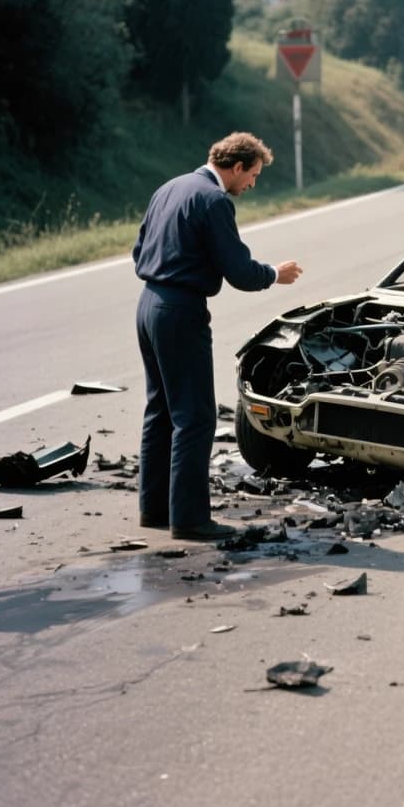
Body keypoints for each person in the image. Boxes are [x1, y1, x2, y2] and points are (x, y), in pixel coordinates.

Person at [133, 132, 303, 541]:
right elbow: (240, 271)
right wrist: (274, 275)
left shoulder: (169, 187)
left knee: (160, 410)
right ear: (237, 166)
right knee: (195, 417)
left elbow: (139, 251)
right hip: (180, 312)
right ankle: (190, 520)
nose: (252, 184)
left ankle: (154, 509)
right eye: (254, 175)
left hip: (148, 305)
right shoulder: (214, 201)